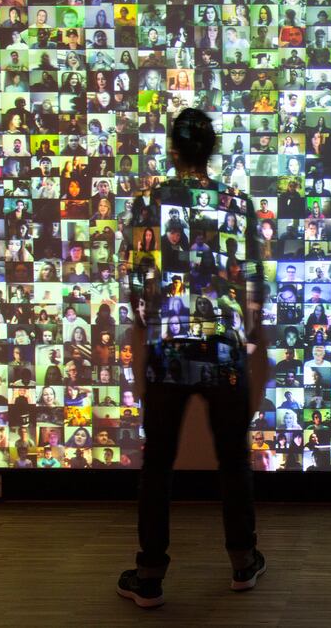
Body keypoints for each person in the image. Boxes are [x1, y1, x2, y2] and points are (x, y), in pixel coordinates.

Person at [117, 109, 268, 608]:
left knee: (158, 460)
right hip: (223, 348)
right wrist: (236, 332)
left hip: (167, 347)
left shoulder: (147, 203)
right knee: (232, 458)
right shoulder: (238, 204)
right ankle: (243, 561)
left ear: (174, 149)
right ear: (212, 149)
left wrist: (155, 322)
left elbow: (137, 289)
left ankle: (150, 575)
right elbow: (254, 286)